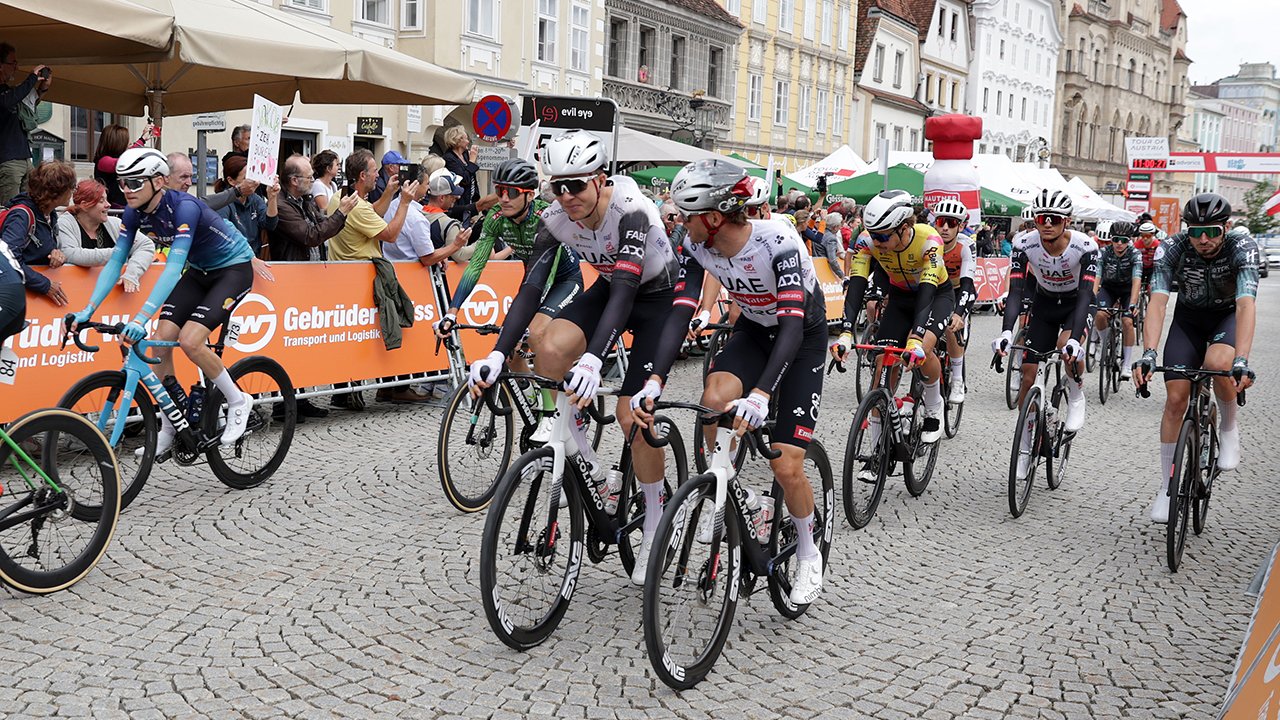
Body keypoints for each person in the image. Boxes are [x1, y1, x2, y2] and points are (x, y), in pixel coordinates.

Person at [466, 129, 679, 585]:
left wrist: (595, 359)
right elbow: (530, 289)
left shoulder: (631, 211)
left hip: (657, 298)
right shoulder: (557, 217)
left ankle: (657, 519)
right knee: (550, 347)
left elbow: (626, 290)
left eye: (576, 185)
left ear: (600, 179)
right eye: (557, 186)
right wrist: (498, 354)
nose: (566, 196)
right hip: (610, 287)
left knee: (630, 415)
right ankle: (593, 468)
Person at [634, 159, 828, 605]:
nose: (680, 222)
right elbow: (681, 309)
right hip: (755, 332)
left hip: (802, 337)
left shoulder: (778, 240)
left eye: (686, 214)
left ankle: (807, 550)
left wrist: (761, 394)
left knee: (786, 464)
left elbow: (794, 325)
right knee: (714, 398)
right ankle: (728, 486)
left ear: (715, 217)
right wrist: (655, 379)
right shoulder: (697, 246)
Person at [70, 148, 258, 451]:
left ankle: (238, 399)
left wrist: (141, 318)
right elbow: (117, 262)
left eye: (135, 182)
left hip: (232, 270)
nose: (127, 191)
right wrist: (87, 309)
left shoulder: (184, 207)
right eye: (122, 183)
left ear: (158, 181)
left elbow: (172, 269)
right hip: (200, 271)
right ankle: (171, 423)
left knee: (190, 341)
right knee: (159, 341)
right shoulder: (133, 213)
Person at [435, 158, 583, 439]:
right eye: (500, 190)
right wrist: (452, 311)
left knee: (537, 334)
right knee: (509, 342)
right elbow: (476, 265)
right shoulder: (494, 220)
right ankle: (530, 394)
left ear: (529, 195)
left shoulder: (545, 218)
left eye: (512, 192)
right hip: (532, 281)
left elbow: (548, 276)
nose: (503, 198)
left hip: (564, 280)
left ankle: (549, 415)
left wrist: (530, 321)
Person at [1132, 193, 1257, 522]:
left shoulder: (1241, 249)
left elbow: (1245, 305)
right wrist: (1148, 352)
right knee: (1175, 399)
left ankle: (1229, 429)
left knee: (1217, 365)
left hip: (1224, 319)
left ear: (1226, 228)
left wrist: (1241, 358)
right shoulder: (1171, 248)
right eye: (1195, 231)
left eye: (1212, 232)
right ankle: (1167, 487)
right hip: (1187, 322)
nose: (1203, 239)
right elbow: (1157, 302)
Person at [832, 190, 952, 446]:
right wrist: (845, 332)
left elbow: (928, 291)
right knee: (882, 366)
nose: (877, 242)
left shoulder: (929, 241)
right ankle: (876, 451)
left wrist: (916, 338)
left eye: (883, 236)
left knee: (923, 350)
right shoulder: (868, 242)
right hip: (899, 298)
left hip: (935, 296)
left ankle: (933, 403)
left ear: (905, 227)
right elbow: (856, 286)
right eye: (873, 234)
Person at [992, 190, 1097, 477]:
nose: (1047, 224)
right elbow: (1015, 291)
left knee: (1066, 346)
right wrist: (1005, 332)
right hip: (1045, 302)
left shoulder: (1085, 246)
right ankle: (1026, 443)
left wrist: (1076, 338)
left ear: (1068, 221)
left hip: (1076, 303)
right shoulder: (1023, 243)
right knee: (1027, 371)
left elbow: (1088, 294)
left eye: (1054, 219)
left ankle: (1075, 395)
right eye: (1041, 218)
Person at [326, 148, 423, 408]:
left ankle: (346, 391)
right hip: (358, 278)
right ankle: (347, 390)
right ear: (362, 175)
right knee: (359, 338)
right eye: (374, 171)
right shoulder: (356, 205)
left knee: (350, 336)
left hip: (344, 274)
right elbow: (390, 233)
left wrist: (390, 193)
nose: (378, 174)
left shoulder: (342, 196)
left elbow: (373, 214)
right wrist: (403, 202)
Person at [56, 179, 155, 291]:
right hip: (76, 293)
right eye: (101, 201)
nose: (108, 205)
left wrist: (131, 274)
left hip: (114, 296)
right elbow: (70, 254)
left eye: (107, 200)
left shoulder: (115, 223)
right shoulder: (65, 223)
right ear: (84, 205)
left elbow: (146, 245)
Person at [2, 160, 76, 307]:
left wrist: (55, 254)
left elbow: (34, 250)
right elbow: (7, 259)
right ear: (56, 192)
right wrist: (44, 284)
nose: (73, 191)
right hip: (14, 299)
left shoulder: (49, 213)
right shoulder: (22, 216)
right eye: (71, 187)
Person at [269, 153, 356, 262]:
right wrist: (340, 213)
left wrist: (343, 214)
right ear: (294, 180)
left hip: (310, 269)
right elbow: (311, 236)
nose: (313, 180)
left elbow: (321, 222)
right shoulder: (281, 206)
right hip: (292, 272)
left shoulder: (303, 200)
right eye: (309, 177)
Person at [931, 199, 977, 403]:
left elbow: (968, 284)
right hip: (936, 289)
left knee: (952, 327)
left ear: (961, 226)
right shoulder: (928, 242)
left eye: (952, 223)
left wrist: (959, 313)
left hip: (960, 290)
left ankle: (957, 378)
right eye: (941, 222)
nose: (945, 228)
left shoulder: (966, 246)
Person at [381, 161, 466, 267]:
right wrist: (455, 245)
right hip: (413, 275)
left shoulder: (390, 206)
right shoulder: (416, 218)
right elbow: (428, 258)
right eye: (427, 184)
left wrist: (438, 256)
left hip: (391, 268)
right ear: (416, 185)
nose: (428, 188)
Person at [0, 44, 50, 206]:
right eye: (12, 63)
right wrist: (31, 79)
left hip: (23, 157)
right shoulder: (6, 95)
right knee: (8, 211)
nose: (16, 67)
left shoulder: (9, 91)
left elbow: (26, 105)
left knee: (26, 207)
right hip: (7, 160)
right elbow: (8, 101)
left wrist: (42, 89)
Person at [1092, 220, 1141, 380]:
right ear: (1111, 239)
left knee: (1127, 322)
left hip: (1128, 290)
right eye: (1116, 239)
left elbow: (1136, 281)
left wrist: (1133, 303)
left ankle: (1126, 363)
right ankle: (1105, 340)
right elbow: (1097, 276)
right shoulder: (1104, 252)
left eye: (1124, 240)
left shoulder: (1135, 254)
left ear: (1130, 240)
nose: (1119, 244)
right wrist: (1091, 298)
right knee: (1099, 315)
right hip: (1109, 288)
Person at [214, 155, 278, 257]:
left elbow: (270, 224)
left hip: (253, 258)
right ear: (231, 181)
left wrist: (272, 197)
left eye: (253, 177)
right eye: (246, 178)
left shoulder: (255, 199)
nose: (253, 182)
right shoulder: (223, 202)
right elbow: (226, 235)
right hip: (231, 260)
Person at [93, 123, 154, 208]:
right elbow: (123, 162)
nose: (129, 144)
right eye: (126, 142)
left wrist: (142, 139)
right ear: (118, 144)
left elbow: (128, 154)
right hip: (113, 210)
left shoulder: (116, 158)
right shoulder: (103, 161)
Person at [1134, 220, 1161, 292]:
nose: (1145, 238)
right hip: (1140, 267)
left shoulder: (1158, 245)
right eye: (1142, 236)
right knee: (1135, 285)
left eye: (1148, 236)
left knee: (1151, 287)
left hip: (1152, 268)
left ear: (1153, 235)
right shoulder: (1137, 245)